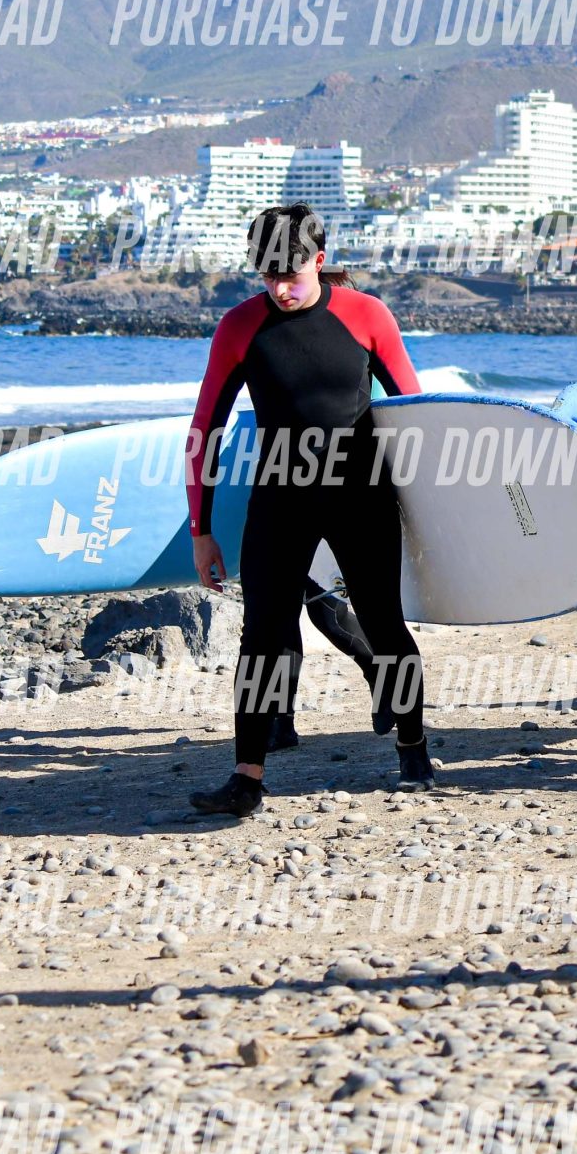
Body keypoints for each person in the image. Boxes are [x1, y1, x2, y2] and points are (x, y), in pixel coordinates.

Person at [185, 203, 432, 817]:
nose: (279, 289)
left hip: (361, 497)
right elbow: (205, 428)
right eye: (268, 276)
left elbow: (417, 413)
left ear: (319, 261)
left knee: (383, 624)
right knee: (262, 636)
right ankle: (246, 777)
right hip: (280, 501)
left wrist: (441, 513)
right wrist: (201, 530)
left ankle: (413, 748)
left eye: (290, 274)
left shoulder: (366, 314)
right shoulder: (240, 326)